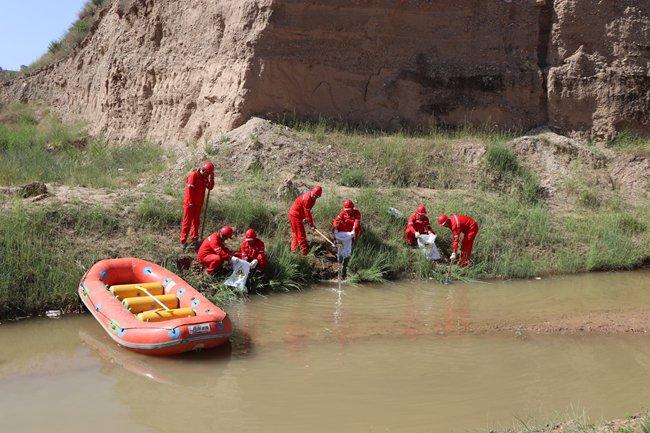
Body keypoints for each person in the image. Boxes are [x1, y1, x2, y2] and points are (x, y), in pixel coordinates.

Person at [180, 161, 215, 251]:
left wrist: (212, 177)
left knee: (196, 222)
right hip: (189, 204)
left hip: (198, 204)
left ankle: (194, 239)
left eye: (209, 174)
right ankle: (183, 242)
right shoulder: (193, 175)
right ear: (203, 170)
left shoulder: (204, 178)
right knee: (187, 223)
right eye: (207, 173)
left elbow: (210, 187)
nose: (207, 175)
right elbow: (189, 191)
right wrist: (190, 202)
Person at [288, 185, 322, 255]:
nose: (315, 197)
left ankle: (294, 251)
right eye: (314, 195)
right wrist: (311, 224)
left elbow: (305, 211)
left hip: (295, 215)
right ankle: (304, 253)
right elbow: (307, 213)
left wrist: (305, 218)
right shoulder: (307, 199)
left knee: (295, 234)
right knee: (301, 235)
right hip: (295, 216)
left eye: (317, 196)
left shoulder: (312, 198)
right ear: (312, 192)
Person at [332, 199, 362, 263]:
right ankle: (338, 249)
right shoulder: (343, 212)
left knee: (348, 244)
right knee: (340, 243)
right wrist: (335, 228)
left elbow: (356, 223)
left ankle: (346, 258)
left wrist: (354, 231)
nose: (347, 211)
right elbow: (336, 220)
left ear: (352, 208)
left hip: (351, 231)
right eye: (346, 210)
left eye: (349, 210)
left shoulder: (357, 213)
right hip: (343, 230)